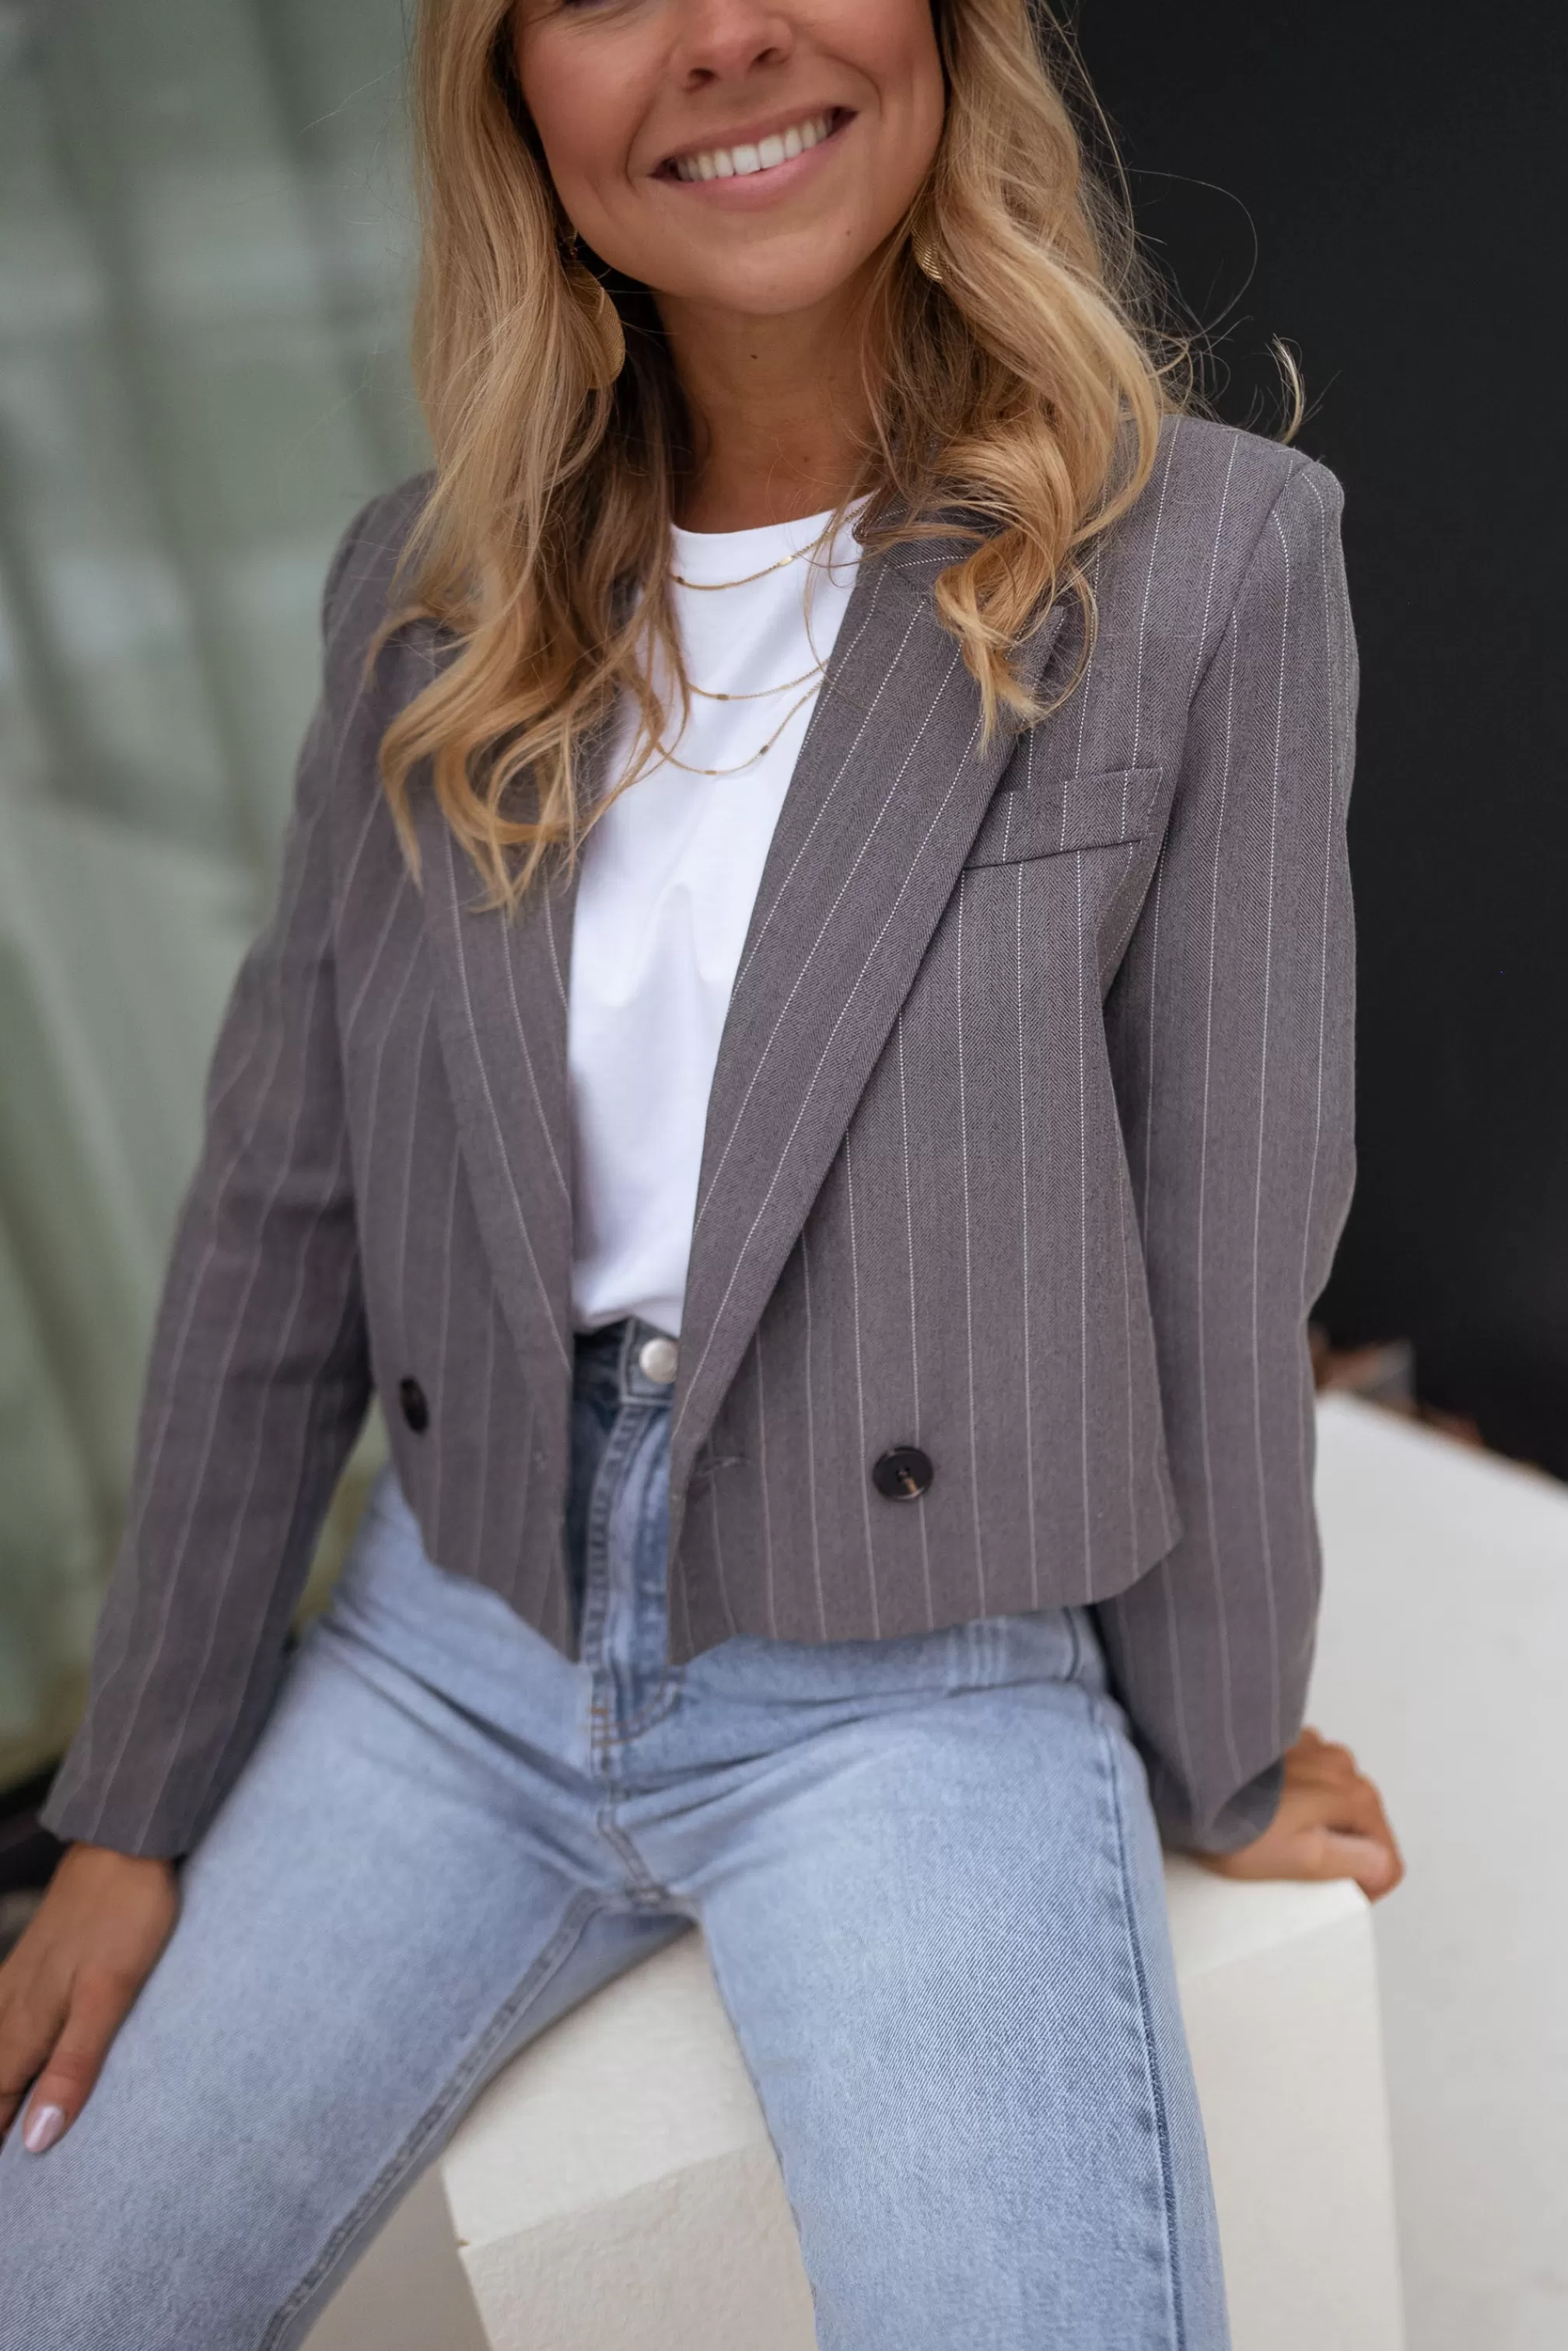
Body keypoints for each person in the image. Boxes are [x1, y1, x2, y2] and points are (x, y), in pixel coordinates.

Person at [0, 2, 1403, 2343]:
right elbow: (279, 1219)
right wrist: (128, 1807)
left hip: (916, 1673)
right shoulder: (418, 596)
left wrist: (1221, 1739)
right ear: (514, 98)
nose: (728, 36)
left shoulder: (1207, 562)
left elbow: (1228, 1233)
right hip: (452, 1647)